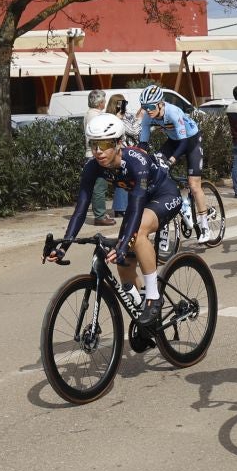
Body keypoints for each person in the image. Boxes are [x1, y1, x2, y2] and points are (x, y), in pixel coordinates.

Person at [50, 112, 182, 325]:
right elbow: (81, 209)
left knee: (137, 235)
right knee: (123, 266)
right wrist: (64, 246)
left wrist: (124, 243)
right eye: (94, 145)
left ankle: (153, 298)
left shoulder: (136, 162)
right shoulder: (93, 167)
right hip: (138, 203)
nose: (98, 151)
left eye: (104, 144)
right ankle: (144, 318)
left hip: (163, 196)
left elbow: (137, 205)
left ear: (119, 143)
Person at [137, 85, 207, 235]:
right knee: (156, 166)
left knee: (194, 185)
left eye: (150, 106)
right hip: (173, 141)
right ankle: (181, 203)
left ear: (161, 104)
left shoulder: (173, 112)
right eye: (144, 106)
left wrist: (171, 160)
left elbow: (184, 142)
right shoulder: (148, 116)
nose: (147, 110)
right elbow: (143, 143)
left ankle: (205, 225)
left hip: (191, 140)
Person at [83, 90, 117, 224]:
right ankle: (100, 216)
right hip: (96, 154)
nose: (105, 102)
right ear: (100, 102)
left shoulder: (90, 114)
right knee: (100, 186)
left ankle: (100, 214)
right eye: (103, 100)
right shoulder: (95, 116)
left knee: (97, 185)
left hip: (91, 153)